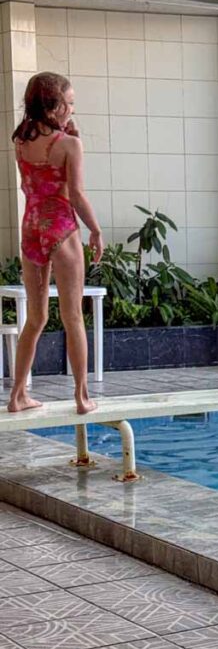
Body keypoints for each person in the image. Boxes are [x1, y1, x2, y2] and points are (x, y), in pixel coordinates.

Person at [8, 72, 103, 414]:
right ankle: (81, 397)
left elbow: (33, 184)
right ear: (55, 104)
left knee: (35, 318)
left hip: (31, 229)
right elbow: (75, 194)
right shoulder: (69, 144)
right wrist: (95, 229)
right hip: (61, 229)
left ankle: (17, 396)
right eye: (70, 102)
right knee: (73, 316)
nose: (72, 108)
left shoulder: (20, 139)